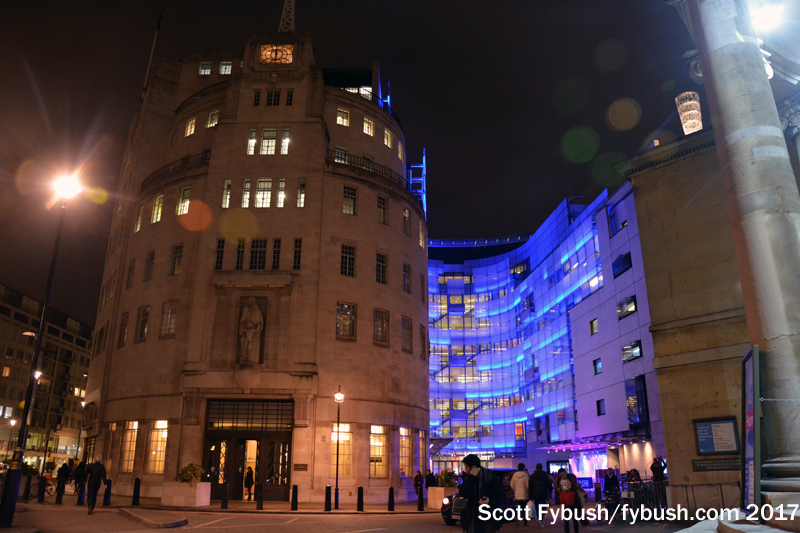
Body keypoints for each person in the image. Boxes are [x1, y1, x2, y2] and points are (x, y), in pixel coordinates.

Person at [456, 454, 505, 533]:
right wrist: (471, 478)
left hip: (489, 518)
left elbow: (501, 498)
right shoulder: (468, 478)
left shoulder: (491, 479)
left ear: (473, 467)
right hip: (472, 516)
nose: (465, 470)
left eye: (466, 467)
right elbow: (464, 494)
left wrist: (489, 501)